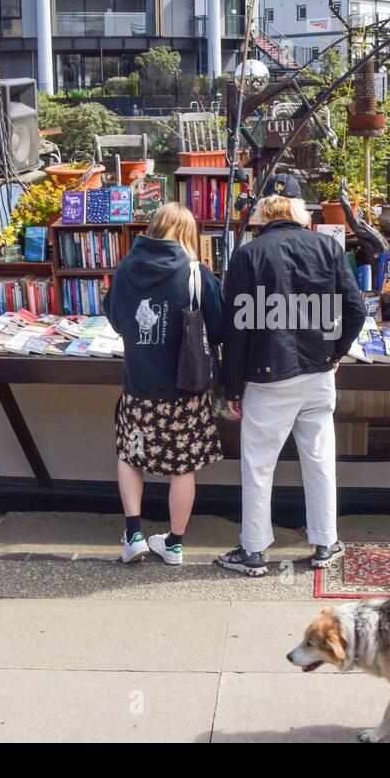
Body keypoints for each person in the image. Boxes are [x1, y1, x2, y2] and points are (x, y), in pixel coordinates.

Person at [217, 181, 365, 577]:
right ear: (301, 212)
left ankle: (253, 551)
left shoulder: (247, 255)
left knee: (259, 464)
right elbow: (355, 310)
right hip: (318, 370)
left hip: (268, 375)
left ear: (263, 214)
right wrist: (335, 351)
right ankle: (325, 542)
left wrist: (231, 387)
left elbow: (236, 330)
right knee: (318, 459)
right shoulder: (328, 248)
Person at [104, 203, 224, 565]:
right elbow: (219, 328)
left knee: (129, 455)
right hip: (184, 390)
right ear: (188, 234)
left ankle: (134, 534)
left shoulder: (125, 268)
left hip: (138, 385)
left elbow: (115, 319)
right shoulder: (195, 273)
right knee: (182, 466)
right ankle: (173, 544)